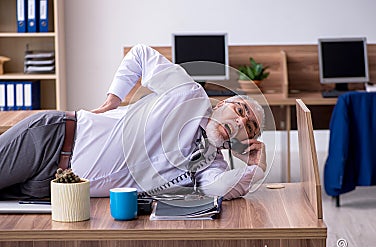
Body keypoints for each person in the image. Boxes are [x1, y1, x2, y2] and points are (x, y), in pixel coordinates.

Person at [0, 44, 266, 200]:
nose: (241, 121)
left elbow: (218, 188)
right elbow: (140, 54)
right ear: (222, 104)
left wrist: (256, 167)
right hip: (53, 140)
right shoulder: (189, 94)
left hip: (54, 189)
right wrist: (113, 100)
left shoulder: (210, 167)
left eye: (249, 127)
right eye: (240, 109)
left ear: (245, 140)